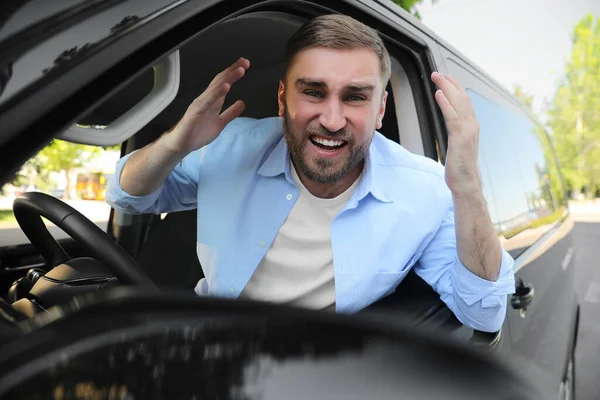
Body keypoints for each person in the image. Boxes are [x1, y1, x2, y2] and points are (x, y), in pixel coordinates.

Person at [106, 14, 515, 332]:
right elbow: (127, 195)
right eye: (314, 92)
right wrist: (176, 143)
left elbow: (483, 311)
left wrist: (468, 189)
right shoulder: (231, 146)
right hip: (204, 347)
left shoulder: (427, 191)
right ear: (283, 99)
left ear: (381, 111)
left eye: (355, 97)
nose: (332, 119)